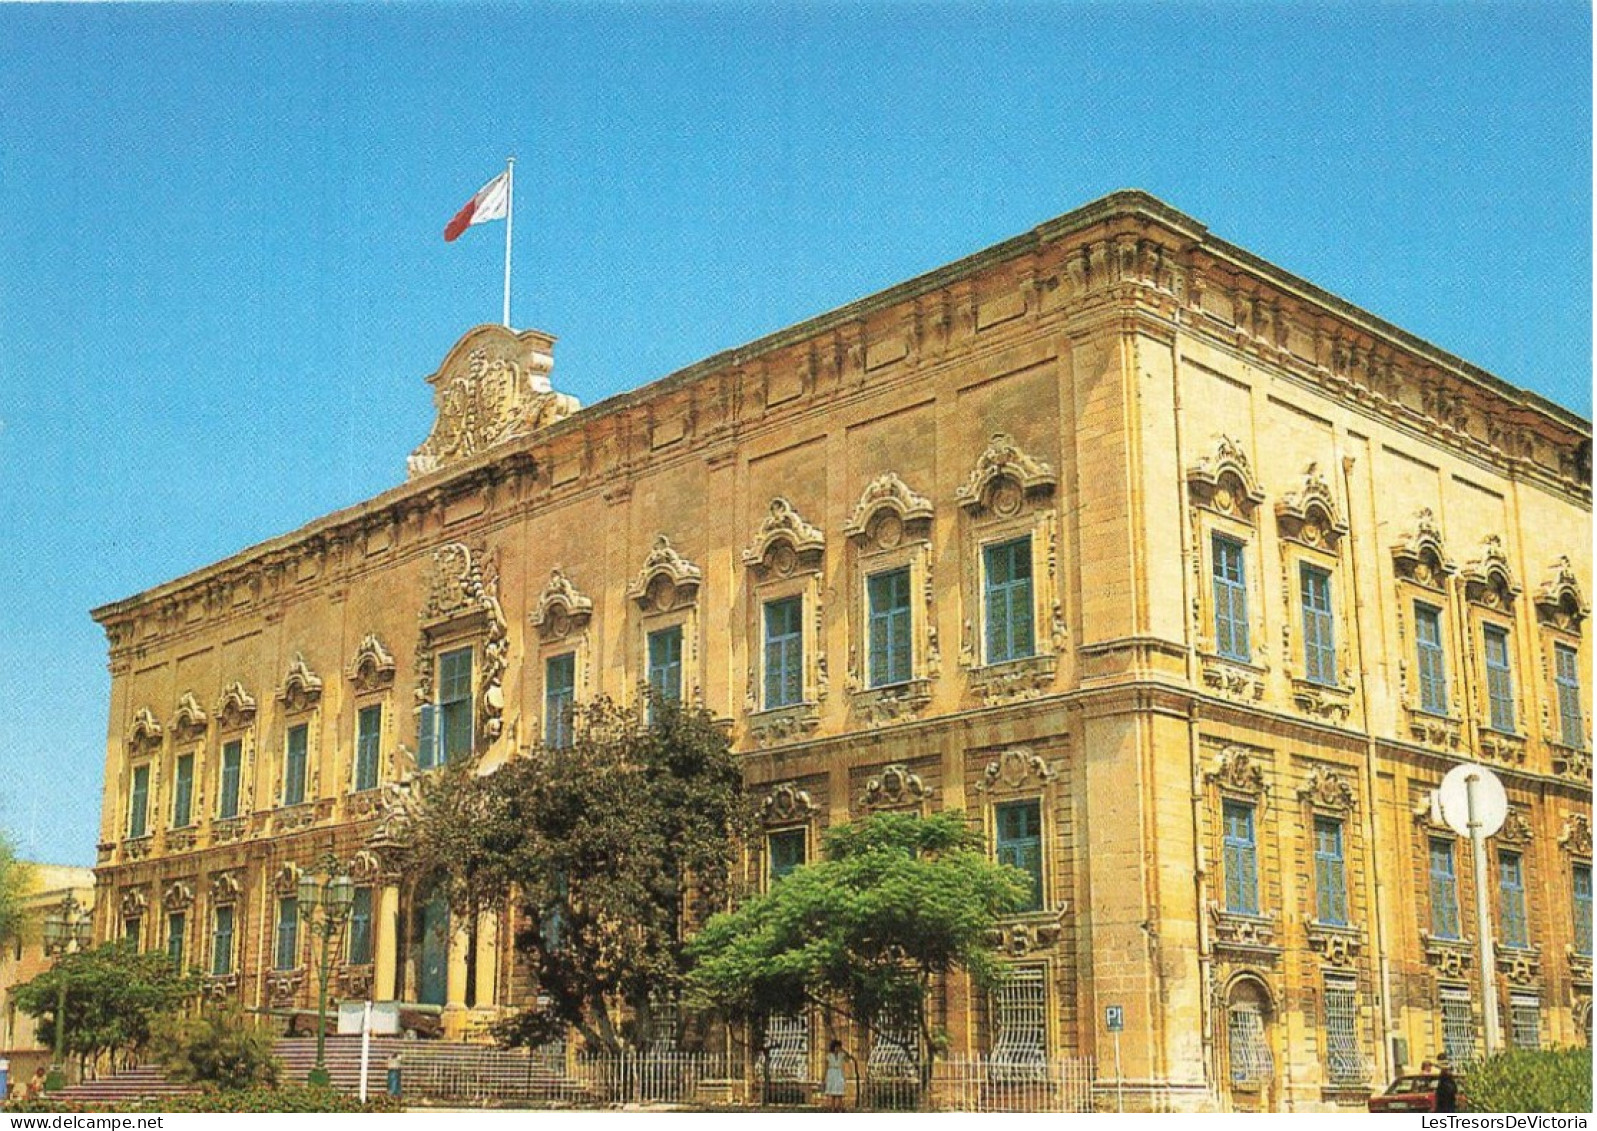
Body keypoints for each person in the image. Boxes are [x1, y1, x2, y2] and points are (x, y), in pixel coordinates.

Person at [823, 1040, 846, 1111]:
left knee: (840, 1091)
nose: (837, 1049)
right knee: (832, 1092)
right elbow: (826, 1066)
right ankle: (832, 1107)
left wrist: (844, 1051)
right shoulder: (829, 1056)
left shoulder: (841, 1055)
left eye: (839, 1047)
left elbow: (848, 1059)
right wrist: (824, 1077)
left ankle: (839, 1107)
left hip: (839, 1073)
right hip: (831, 1073)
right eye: (836, 1047)